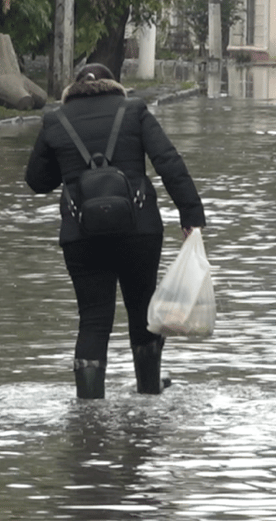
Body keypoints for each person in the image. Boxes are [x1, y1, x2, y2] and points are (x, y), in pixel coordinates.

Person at [25, 63, 206, 399]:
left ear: (73, 89)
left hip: (81, 235)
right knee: (143, 310)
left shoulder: (55, 119)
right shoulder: (134, 111)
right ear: (115, 85)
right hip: (139, 230)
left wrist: (71, 168)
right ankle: (149, 392)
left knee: (93, 318)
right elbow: (168, 161)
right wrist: (190, 215)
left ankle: (89, 406)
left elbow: (36, 181)